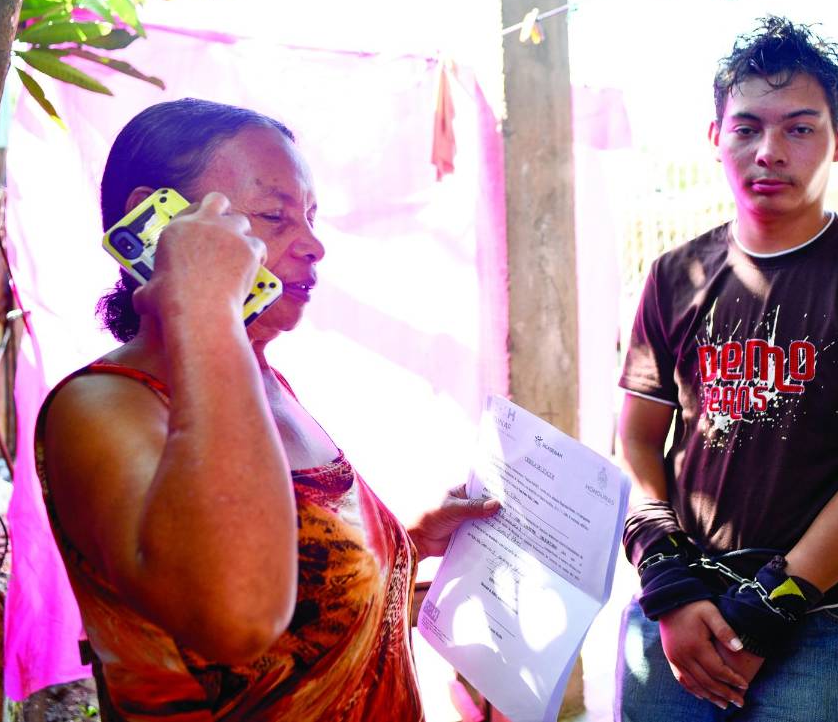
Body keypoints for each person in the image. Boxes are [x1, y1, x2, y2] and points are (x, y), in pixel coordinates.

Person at [36, 98, 499, 721]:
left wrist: (405, 543)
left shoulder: (259, 379)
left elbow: (301, 594)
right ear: (160, 223)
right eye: (274, 216)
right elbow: (240, 611)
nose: (312, 245)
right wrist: (203, 307)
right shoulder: (101, 406)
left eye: (309, 217)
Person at [614, 17, 838, 721]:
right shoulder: (674, 276)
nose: (769, 152)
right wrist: (664, 575)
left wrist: (771, 608)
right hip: (678, 616)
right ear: (716, 137)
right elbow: (638, 441)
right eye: (747, 128)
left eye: (799, 128)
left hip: (817, 622)